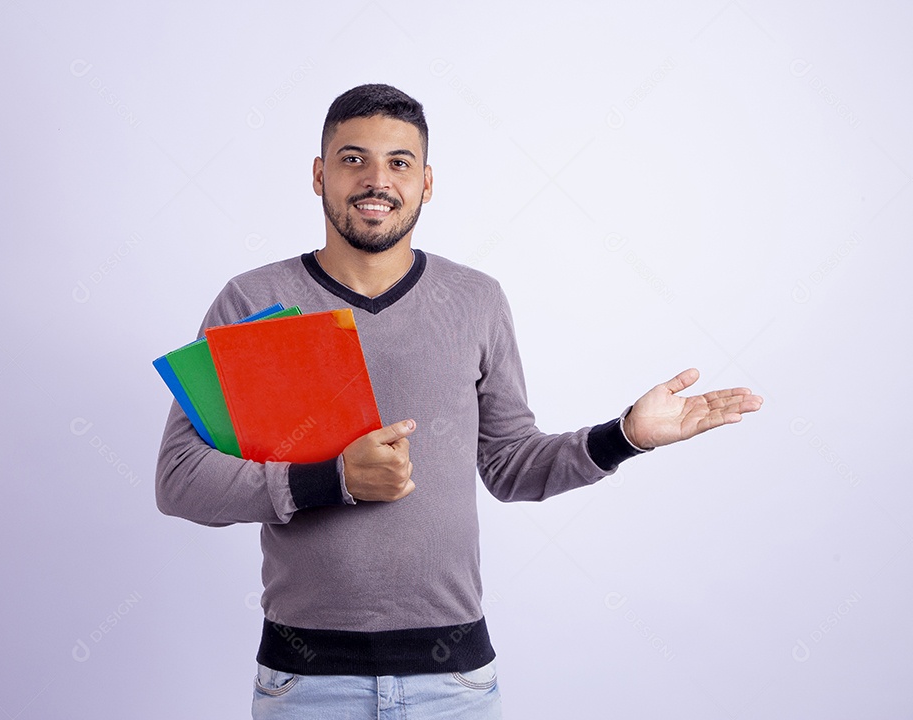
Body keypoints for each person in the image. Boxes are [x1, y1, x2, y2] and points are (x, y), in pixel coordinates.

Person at [155, 83, 763, 719]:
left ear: (427, 182)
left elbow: (510, 467)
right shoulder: (250, 302)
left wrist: (625, 435)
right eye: (352, 158)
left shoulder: (475, 300)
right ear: (319, 174)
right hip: (306, 683)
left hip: (453, 685)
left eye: (399, 162)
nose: (376, 180)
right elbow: (180, 481)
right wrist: (330, 479)